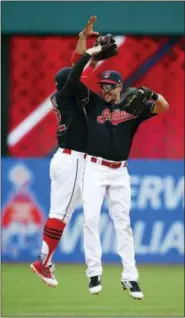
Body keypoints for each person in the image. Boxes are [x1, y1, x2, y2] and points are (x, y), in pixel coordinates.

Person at [66, 43, 169, 299]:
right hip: (95, 169)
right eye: (103, 86)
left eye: (110, 86)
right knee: (90, 219)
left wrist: (151, 94)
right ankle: (94, 272)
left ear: (120, 86)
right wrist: (90, 54)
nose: (106, 90)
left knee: (123, 224)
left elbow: (164, 107)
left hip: (120, 172)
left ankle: (130, 277)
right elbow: (71, 80)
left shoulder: (133, 108)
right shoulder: (93, 104)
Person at [30, 16, 99, 287]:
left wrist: (84, 41)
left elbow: (77, 68)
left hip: (67, 158)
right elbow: (77, 67)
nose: (79, 85)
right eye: (75, 82)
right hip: (73, 160)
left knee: (63, 213)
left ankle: (44, 261)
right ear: (67, 85)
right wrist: (92, 51)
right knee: (60, 214)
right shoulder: (68, 92)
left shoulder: (63, 95)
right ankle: (43, 263)